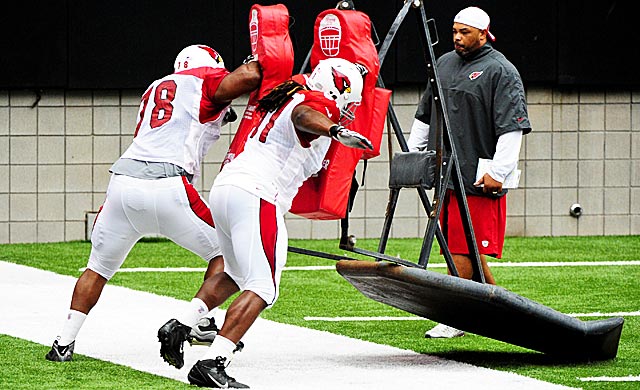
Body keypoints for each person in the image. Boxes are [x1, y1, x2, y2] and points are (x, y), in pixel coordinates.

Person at [158, 57, 373, 388]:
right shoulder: (315, 103)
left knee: (234, 272)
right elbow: (305, 117)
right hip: (256, 193)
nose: (348, 108)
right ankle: (214, 361)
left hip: (230, 187)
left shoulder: (290, 93)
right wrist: (336, 130)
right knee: (263, 287)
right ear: (338, 87)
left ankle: (181, 325)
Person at [45, 44, 262, 362]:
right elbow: (247, 78)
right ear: (210, 65)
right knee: (227, 252)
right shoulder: (203, 78)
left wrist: (222, 110)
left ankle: (63, 343)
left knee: (97, 269)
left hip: (122, 187)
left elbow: (187, 117)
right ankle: (200, 323)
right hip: (168, 186)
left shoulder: (156, 88)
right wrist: (257, 60)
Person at [407, 7, 531, 338]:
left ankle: (456, 319)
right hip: (446, 173)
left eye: (465, 32)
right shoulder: (444, 63)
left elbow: (511, 126)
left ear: (482, 33)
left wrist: (500, 172)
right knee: (456, 247)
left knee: (462, 249)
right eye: (454, 32)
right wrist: (412, 154)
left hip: (478, 175)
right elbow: (425, 112)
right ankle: (504, 312)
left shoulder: (501, 70)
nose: (458, 38)